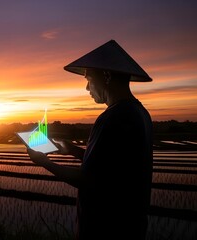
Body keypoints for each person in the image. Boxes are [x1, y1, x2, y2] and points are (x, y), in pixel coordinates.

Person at [27, 40, 153, 240]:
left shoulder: (115, 117)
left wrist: (44, 162)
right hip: (130, 226)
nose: (87, 87)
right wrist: (75, 151)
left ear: (107, 76)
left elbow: (91, 181)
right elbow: (112, 168)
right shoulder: (139, 113)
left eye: (88, 78)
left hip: (107, 229)